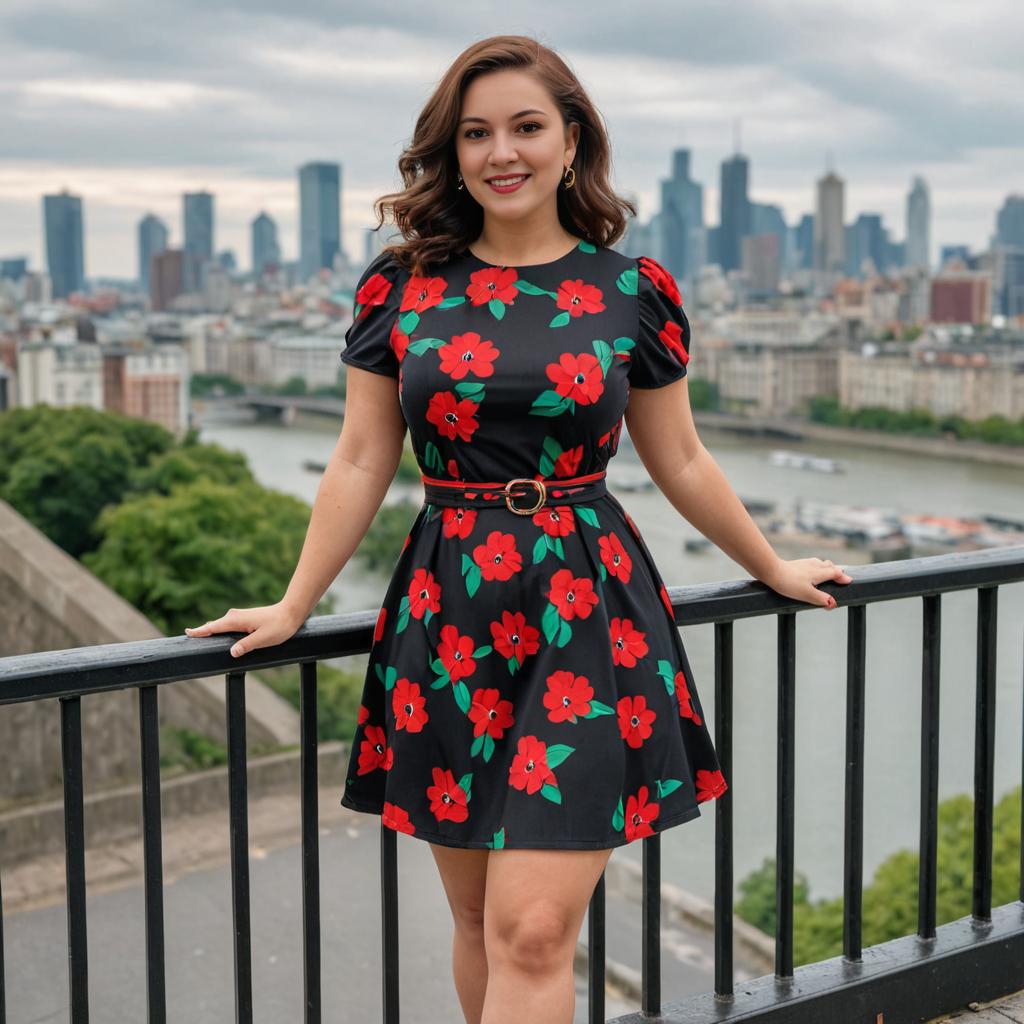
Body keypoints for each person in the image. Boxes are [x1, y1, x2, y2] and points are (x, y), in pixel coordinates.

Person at [185, 34, 852, 1024]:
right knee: (475, 924)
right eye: (476, 133)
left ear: (571, 141)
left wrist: (770, 564)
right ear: (451, 155)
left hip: (585, 607)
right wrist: (294, 602)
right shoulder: (399, 286)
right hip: (446, 607)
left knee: (532, 931)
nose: (503, 151)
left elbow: (680, 458)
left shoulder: (633, 291)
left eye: (527, 127)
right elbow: (363, 458)